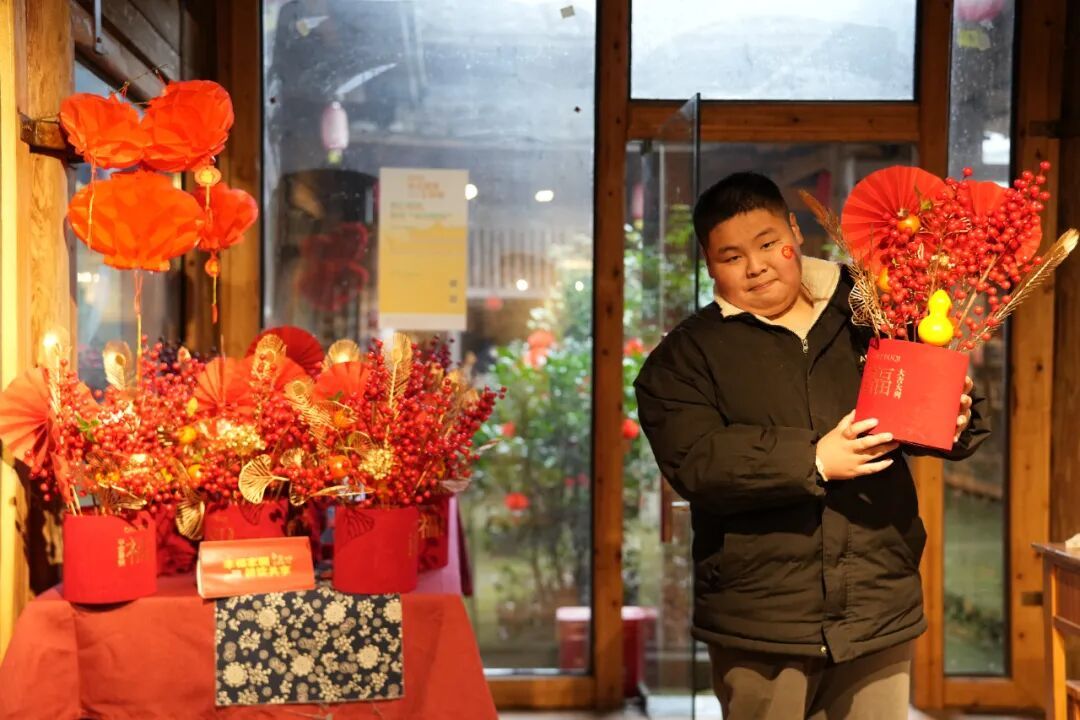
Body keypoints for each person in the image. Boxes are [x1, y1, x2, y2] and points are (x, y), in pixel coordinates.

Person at [633, 172, 988, 719]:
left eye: (768, 243)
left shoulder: (874, 311)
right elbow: (698, 462)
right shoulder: (684, 358)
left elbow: (925, 410)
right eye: (731, 256)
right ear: (708, 263)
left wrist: (956, 416)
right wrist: (815, 459)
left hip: (877, 603)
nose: (756, 266)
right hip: (760, 617)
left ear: (795, 232)